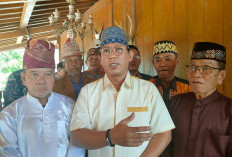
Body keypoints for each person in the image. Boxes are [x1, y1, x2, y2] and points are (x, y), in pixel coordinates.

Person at [70, 27, 175, 157]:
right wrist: (110, 137)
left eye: (118, 49)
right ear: (100, 58)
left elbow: (164, 133)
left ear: (129, 56)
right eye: (106, 51)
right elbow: (77, 136)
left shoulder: (148, 90)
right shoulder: (88, 92)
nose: (112, 55)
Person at [0, 39, 85, 157]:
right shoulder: (9, 116)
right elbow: (7, 152)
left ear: (54, 77)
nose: (41, 81)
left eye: (48, 74)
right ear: (23, 78)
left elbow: (77, 144)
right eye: (34, 74)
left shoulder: (69, 106)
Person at [166, 42, 232, 157]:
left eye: (206, 68)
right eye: (192, 67)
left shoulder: (229, 109)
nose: (196, 74)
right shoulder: (176, 102)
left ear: (221, 76)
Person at [150, 40, 191, 106]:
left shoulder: (188, 88)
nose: (162, 64)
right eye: (158, 60)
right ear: (153, 63)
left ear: (177, 61)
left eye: (168, 59)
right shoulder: (146, 86)